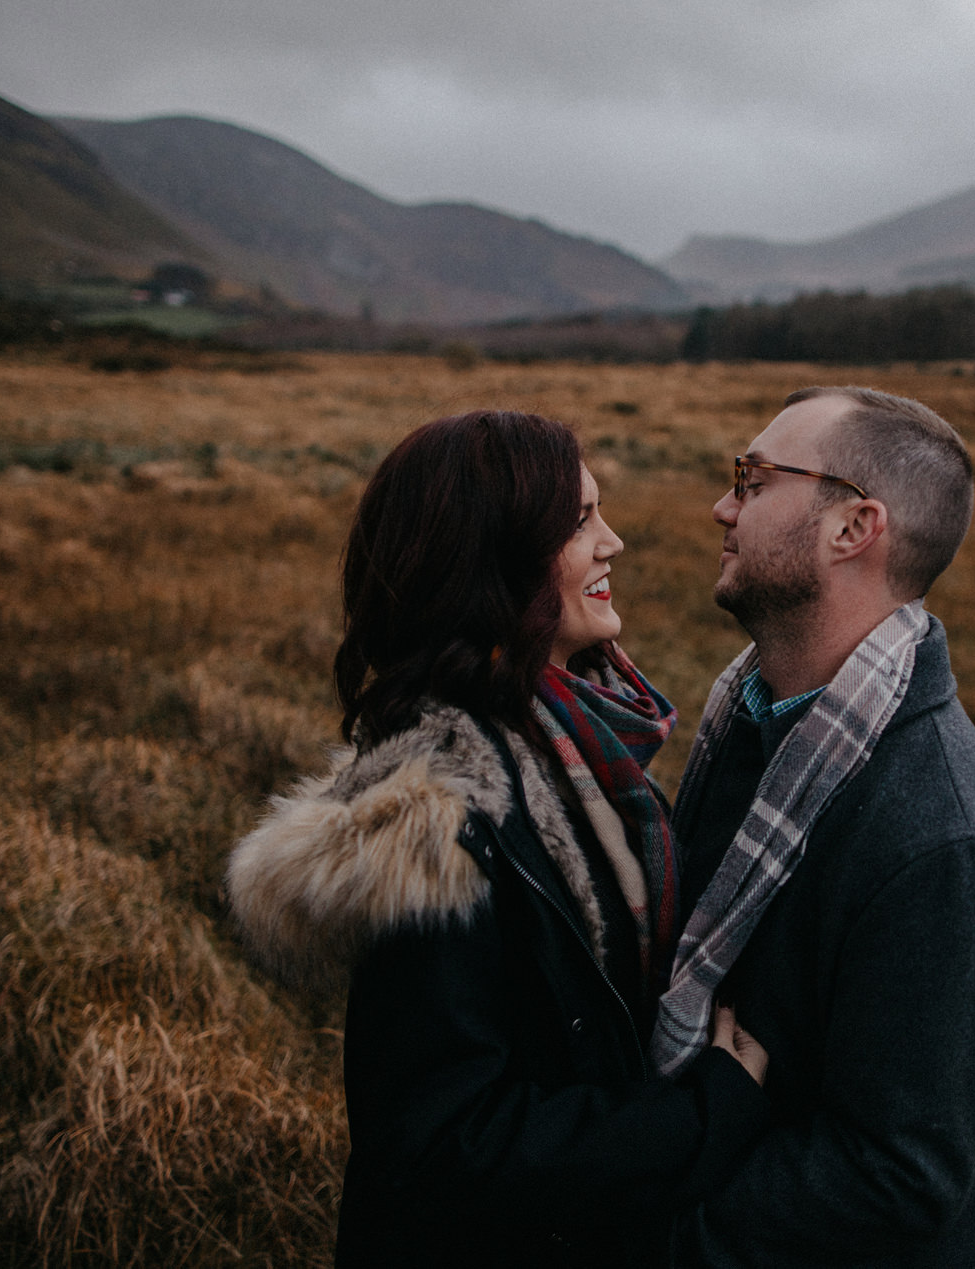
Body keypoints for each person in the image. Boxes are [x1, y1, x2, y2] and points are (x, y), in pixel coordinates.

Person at [224, 410, 769, 1269]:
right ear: (494, 559)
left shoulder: (578, 755)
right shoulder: (439, 819)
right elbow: (446, 1145)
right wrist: (705, 1112)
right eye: (580, 521)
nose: (613, 542)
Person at [653, 386, 975, 1267]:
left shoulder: (950, 845)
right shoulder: (754, 728)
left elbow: (898, 1177)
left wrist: (661, 1237)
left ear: (852, 528)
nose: (723, 504)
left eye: (752, 479)